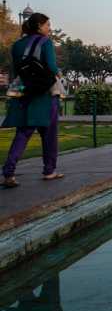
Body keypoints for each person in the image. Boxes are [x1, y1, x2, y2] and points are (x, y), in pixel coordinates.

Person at [2, 13, 64, 188]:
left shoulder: (17, 45)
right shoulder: (46, 42)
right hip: (44, 94)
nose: (49, 29)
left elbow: (16, 70)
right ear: (39, 26)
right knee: (49, 135)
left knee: (22, 134)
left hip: (26, 93)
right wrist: (58, 72)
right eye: (47, 25)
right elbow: (51, 67)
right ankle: (49, 171)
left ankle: (9, 173)